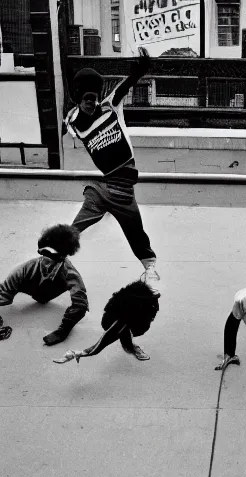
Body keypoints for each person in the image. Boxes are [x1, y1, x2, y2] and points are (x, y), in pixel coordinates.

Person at [63, 47, 159, 293]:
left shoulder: (109, 106)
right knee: (77, 225)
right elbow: (71, 117)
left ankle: (150, 268)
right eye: (86, 99)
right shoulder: (72, 120)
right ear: (77, 98)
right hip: (102, 187)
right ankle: (55, 256)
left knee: (136, 232)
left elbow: (124, 88)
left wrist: (138, 72)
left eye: (93, 99)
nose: (91, 104)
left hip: (124, 188)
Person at [0, 224, 88, 345]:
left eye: (52, 257)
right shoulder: (26, 269)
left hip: (51, 291)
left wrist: (62, 331)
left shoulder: (70, 273)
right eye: (44, 254)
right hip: (30, 287)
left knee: (49, 298)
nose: (47, 261)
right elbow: (4, 292)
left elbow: (81, 305)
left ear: (62, 257)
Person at [53, 280, 158, 364]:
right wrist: (77, 354)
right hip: (116, 322)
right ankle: (132, 347)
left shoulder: (142, 302)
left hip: (130, 320)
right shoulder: (123, 319)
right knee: (123, 333)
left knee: (128, 331)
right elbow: (99, 345)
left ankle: (131, 345)